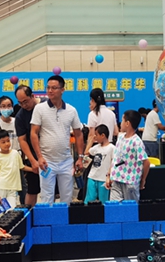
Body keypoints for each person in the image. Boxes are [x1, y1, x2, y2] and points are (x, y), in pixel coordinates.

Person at [29, 74, 85, 204]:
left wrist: (80, 157)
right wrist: (39, 157)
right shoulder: (39, 109)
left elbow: (78, 134)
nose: (50, 91)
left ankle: (64, 218)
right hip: (47, 161)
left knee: (67, 197)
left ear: (62, 90)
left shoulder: (71, 110)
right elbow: (34, 133)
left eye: (54, 88)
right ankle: (48, 218)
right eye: (48, 87)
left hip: (66, 161)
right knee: (46, 197)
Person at [108, 110, 149, 201]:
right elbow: (115, 158)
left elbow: (146, 162)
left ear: (127, 123)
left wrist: (143, 179)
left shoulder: (137, 142)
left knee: (130, 207)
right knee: (114, 206)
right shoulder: (120, 137)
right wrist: (109, 174)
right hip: (117, 178)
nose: (120, 123)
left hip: (130, 181)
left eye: (122, 120)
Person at [14, 85, 42, 207]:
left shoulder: (46, 106)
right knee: (32, 189)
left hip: (51, 154)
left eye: (25, 101)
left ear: (32, 96)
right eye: (20, 103)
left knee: (53, 190)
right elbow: (22, 140)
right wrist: (32, 160)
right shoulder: (20, 116)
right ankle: (28, 214)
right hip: (34, 156)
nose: (24, 105)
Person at [85, 124, 114, 203]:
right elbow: (86, 152)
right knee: (89, 199)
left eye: (96, 134)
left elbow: (113, 162)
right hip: (92, 176)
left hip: (103, 179)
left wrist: (109, 176)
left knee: (104, 200)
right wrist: (91, 141)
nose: (95, 137)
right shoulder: (97, 147)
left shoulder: (112, 148)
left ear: (103, 135)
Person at [85, 87, 119, 152]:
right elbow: (116, 132)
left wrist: (87, 150)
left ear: (93, 100)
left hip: (96, 147)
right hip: (110, 146)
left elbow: (91, 135)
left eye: (91, 100)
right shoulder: (112, 113)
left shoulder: (92, 114)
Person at [0, 129, 23, 207]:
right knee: (1, 209)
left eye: (8, 141)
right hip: (1, 187)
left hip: (13, 187)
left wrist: (33, 169)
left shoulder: (15, 153)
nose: (7, 144)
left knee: (12, 209)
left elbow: (21, 167)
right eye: (3, 142)